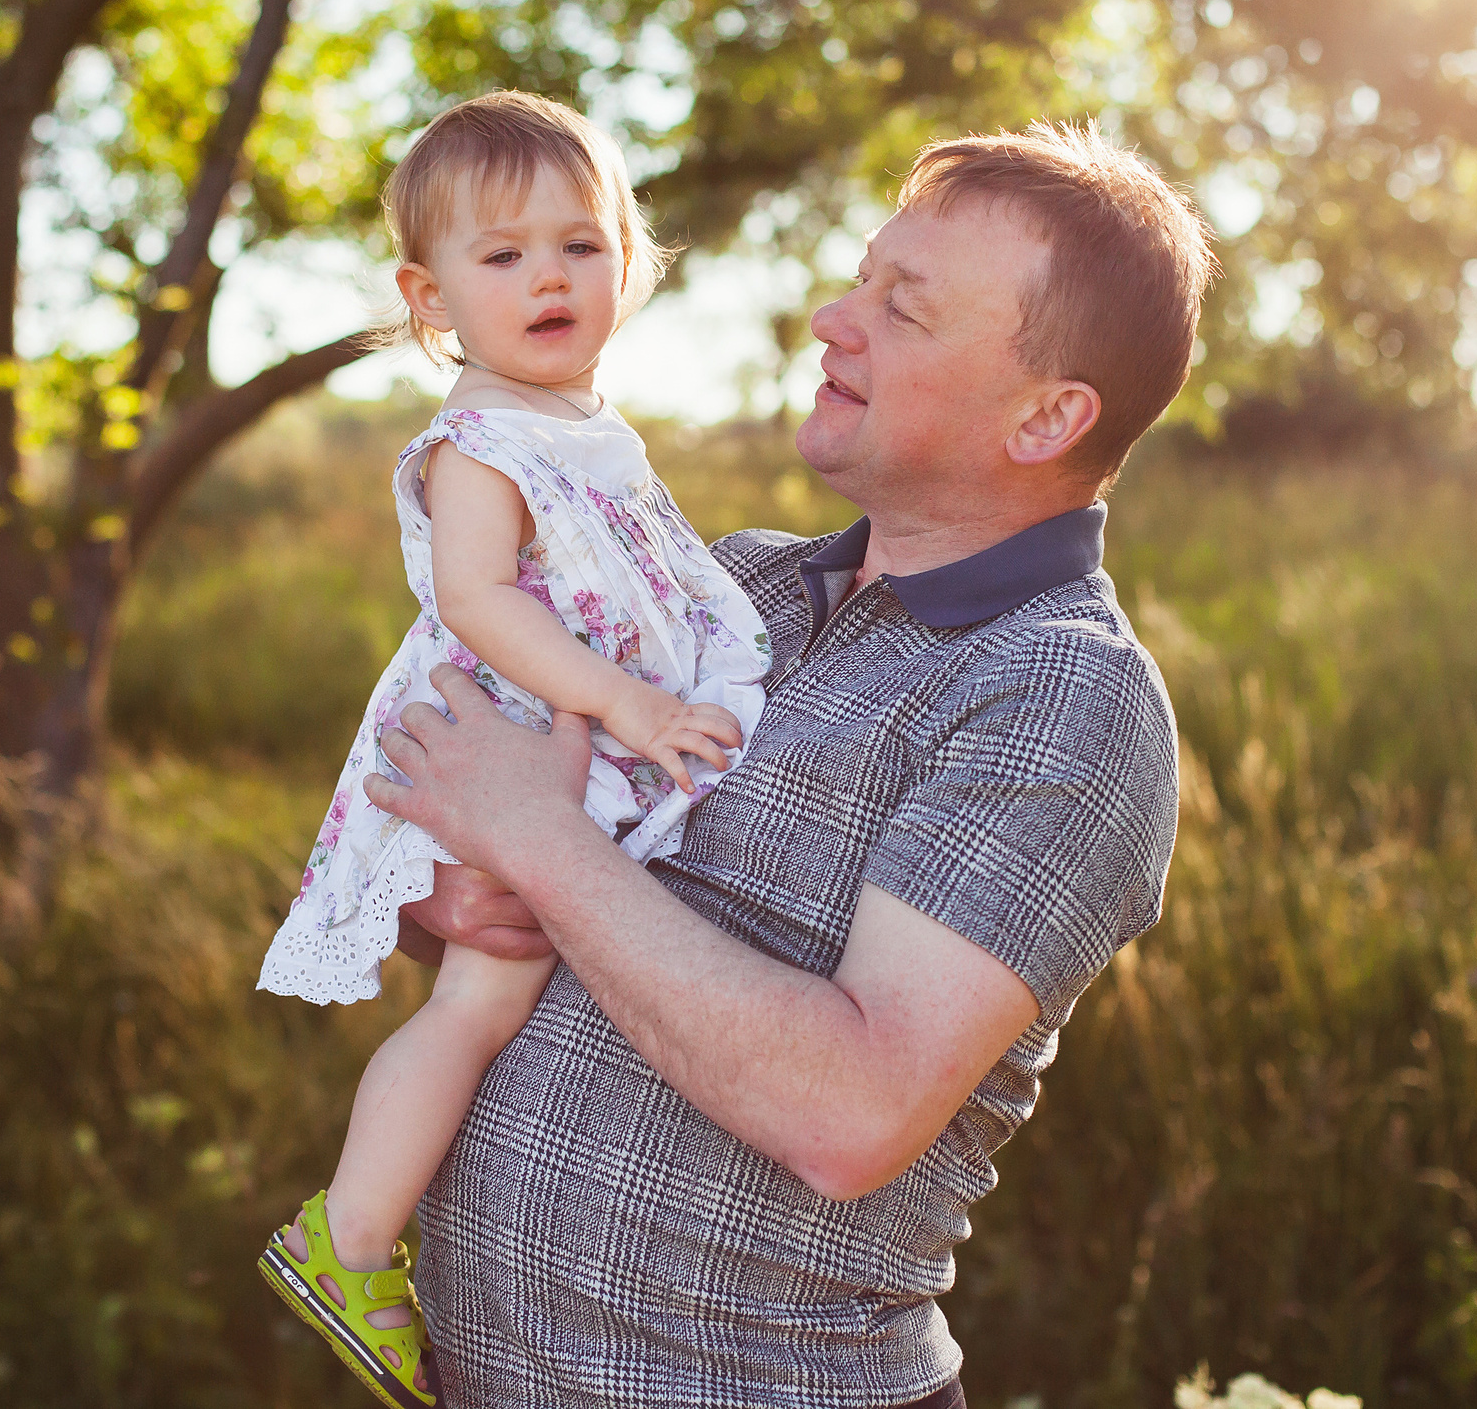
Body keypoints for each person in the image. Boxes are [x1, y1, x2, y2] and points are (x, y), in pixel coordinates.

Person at [372, 121, 1216, 1408]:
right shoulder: (731, 587)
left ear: (1047, 417)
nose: (833, 316)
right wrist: (448, 889)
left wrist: (541, 847)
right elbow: (478, 836)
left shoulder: (1064, 696)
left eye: (904, 307)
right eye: (860, 276)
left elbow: (852, 1114)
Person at [253, 91, 772, 1409]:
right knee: (479, 999)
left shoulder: (582, 425)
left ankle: (447, 1233)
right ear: (430, 299)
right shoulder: (480, 441)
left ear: (631, 262)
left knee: (530, 995)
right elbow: (480, 602)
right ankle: (350, 1236)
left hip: (562, 736)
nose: (549, 275)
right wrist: (638, 706)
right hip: (509, 736)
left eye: (580, 244)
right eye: (503, 256)